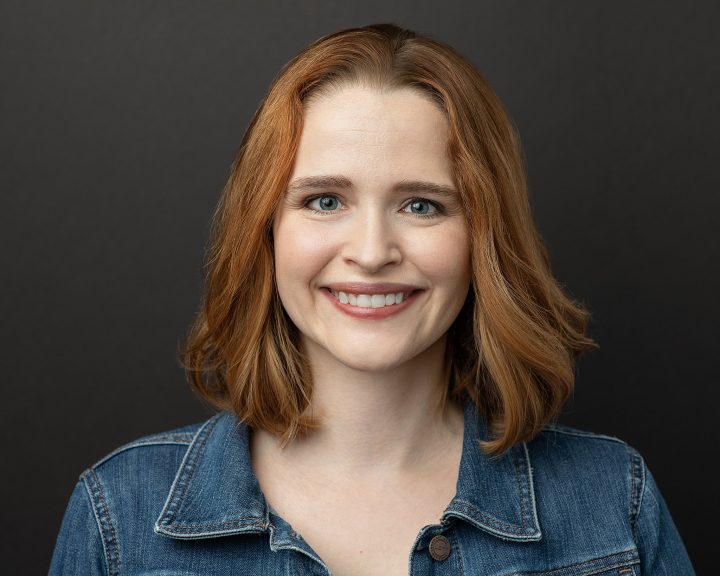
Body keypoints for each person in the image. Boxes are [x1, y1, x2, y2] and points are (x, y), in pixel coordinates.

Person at [49, 23, 694, 575]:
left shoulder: (615, 506)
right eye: (324, 200)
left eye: (421, 204)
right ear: (267, 229)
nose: (372, 250)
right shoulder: (119, 519)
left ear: (483, 237)